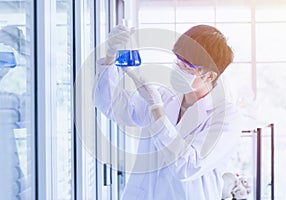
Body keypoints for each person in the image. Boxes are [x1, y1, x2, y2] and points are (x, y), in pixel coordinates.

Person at [94, 24, 243, 199]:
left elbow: (187, 167)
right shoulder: (165, 96)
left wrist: (157, 111)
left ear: (209, 76)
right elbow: (111, 105)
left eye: (187, 65)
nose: (178, 67)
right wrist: (111, 55)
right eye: (178, 59)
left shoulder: (227, 118)